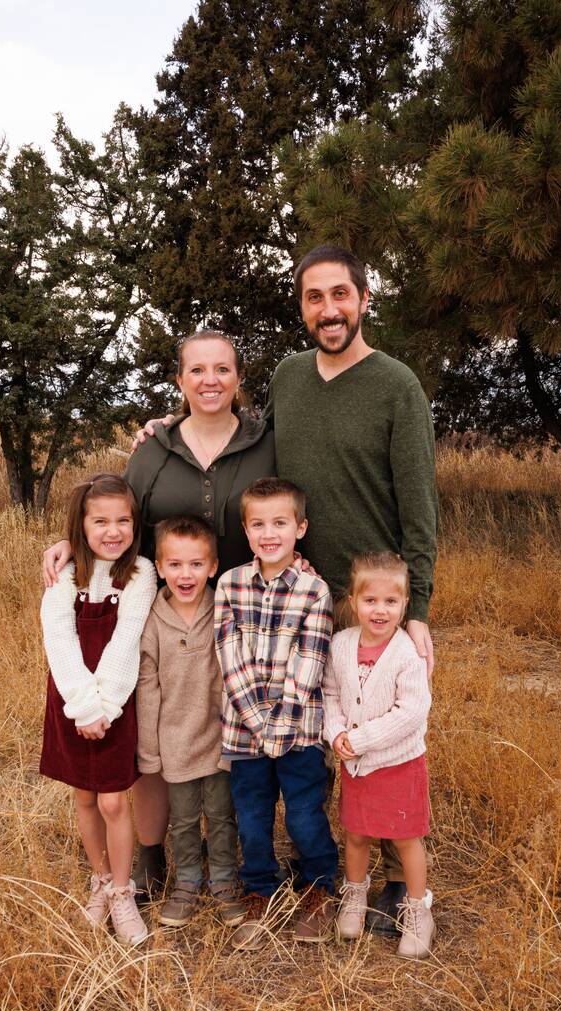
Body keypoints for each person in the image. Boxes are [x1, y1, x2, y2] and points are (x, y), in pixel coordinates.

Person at [132, 246, 438, 931]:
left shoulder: (396, 386)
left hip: (365, 602)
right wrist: (159, 429)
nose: (328, 309)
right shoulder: (293, 379)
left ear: (363, 298)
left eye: (340, 295)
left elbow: (421, 508)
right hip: (289, 593)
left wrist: (414, 610)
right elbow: (232, 434)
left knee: (376, 736)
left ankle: (387, 878)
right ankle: (320, 871)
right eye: (313, 298)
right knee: (315, 742)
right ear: (301, 307)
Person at [42, 331, 276, 898]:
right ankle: (149, 854)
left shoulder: (268, 443)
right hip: (161, 609)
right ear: (179, 381)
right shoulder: (154, 448)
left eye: (223, 368)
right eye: (196, 370)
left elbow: (286, 507)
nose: (210, 380)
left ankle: (240, 854)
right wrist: (70, 544)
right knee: (154, 722)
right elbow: (116, 516)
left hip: (244, 605)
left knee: (230, 719)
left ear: (239, 379)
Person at [215, 477, 338, 950]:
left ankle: (318, 887)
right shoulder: (229, 584)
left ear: (300, 528)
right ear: (245, 532)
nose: (270, 534)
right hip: (244, 733)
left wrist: (279, 729)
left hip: (299, 733)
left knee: (305, 815)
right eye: (258, 524)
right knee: (252, 816)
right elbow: (230, 657)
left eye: (280, 523)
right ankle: (260, 890)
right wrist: (260, 727)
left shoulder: (314, 591)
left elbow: (309, 665)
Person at [40, 473, 157, 945]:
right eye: (101, 521)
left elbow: (126, 642)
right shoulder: (65, 576)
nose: (113, 531)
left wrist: (103, 706)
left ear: (135, 524)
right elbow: (60, 640)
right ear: (80, 527)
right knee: (84, 797)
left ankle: (124, 892)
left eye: (123, 520)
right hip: (71, 699)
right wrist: (83, 706)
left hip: (117, 699)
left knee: (112, 799)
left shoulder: (141, 574)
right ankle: (101, 880)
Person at [323, 551, 434, 959]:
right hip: (355, 763)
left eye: (391, 602)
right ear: (353, 602)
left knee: (406, 837)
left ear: (406, 605)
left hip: (398, 762)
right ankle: (355, 896)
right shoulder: (340, 645)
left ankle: (418, 909)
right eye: (370, 601)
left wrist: (362, 737)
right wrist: (335, 732)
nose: (380, 610)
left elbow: (412, 711)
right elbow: (331, 695)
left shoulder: (408, 653)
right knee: (356, 833)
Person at [136, 515, 245, 929]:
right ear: (160, 567)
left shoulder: (225, 608)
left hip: (219, 738)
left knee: (221, 815)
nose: (186, 574)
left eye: (197, 564)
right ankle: (186, 881)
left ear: (213, 566)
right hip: (175, 741)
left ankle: (222, 879)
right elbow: (147, 688)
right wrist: (150, 750)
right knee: (182, 819)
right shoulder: (152, 621)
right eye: (176, 565)